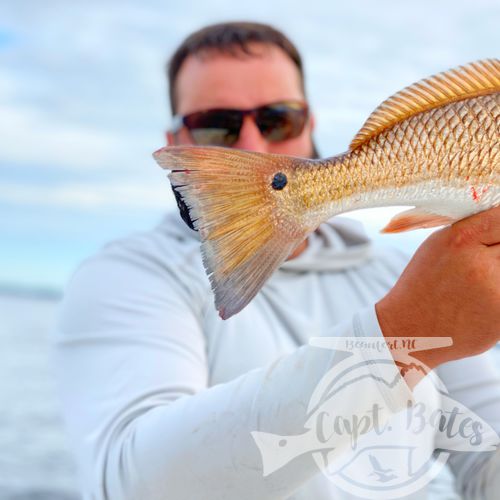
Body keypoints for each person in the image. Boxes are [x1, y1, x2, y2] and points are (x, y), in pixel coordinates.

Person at [53, 22, 500, 500]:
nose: (253, 146)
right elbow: (133, 484)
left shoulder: (396, 273)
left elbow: (486, 450)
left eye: (277, 120)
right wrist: (397, 334)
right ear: (177, 138)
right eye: (216, 125)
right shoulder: (130, 277)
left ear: (309, 124)